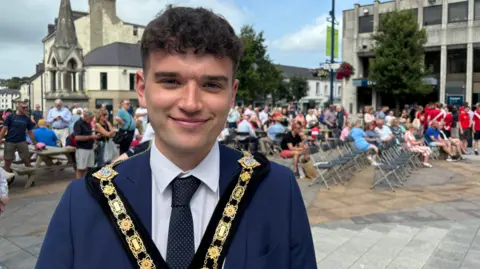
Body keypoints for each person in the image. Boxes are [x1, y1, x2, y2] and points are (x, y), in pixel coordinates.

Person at [36, 6, 316, 269]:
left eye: (211, 84)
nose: (191, 103)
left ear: (232, 94)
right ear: (142, 89)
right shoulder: (83, 201)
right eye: (171, 81)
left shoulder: (277, 189)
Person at [0, 102, 38, 173]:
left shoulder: (27, 118)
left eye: (27, 107)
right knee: (7, 161)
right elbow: (4, 129)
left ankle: (31, 178)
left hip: (22, 141)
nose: (26, 109)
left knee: (26, 160)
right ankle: (6, 180)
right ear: (18, 108)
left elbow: (30, 132)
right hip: (10, 141)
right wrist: (0, 139)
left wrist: (35, 143)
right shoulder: (11, 117)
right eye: (24, 107)